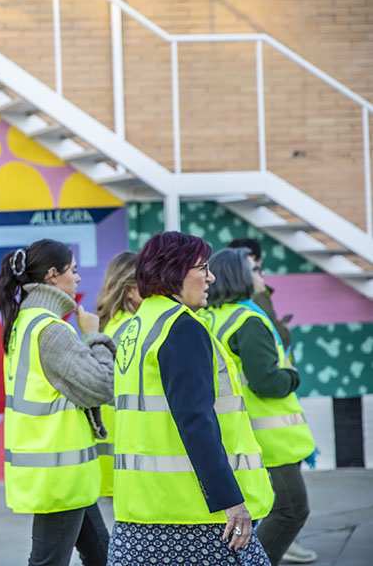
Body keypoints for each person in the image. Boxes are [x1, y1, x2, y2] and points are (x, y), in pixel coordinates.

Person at [109, 231, 274, 566]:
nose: (210, 277)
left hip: (140, 510)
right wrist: (231, 500)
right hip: (195, 514)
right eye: (202, 268)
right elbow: (196, 420)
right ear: (174, 272)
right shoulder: (180, 328)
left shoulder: (138, 325)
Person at [0, 239, 114, 566]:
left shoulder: (24, 323)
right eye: (73, 271)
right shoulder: (51, 330)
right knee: (49, 562)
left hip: (60, 472)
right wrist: (94, 336)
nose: (78, 279)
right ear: (51, 275)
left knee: (102, 554)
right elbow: (103, 386)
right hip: (61, 475)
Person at [203, 248, 316, 566]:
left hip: (240, 435)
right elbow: (267, 383)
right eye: (254, 270)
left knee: (255, 516)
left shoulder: (210, 316)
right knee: (291, 511)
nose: (260, 277)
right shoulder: (248, 320)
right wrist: (292, 376)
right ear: (239, 276)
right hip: (271, 441)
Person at [94, 250, 142, 499]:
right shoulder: (132, 329)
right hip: (126, 445)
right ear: (129, 289)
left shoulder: (110, 324)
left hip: (111, 446)